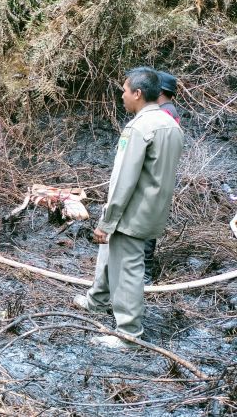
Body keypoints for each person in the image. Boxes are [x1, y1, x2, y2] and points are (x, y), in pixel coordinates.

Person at [73, 67, 183, 348]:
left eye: (124, 90)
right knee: (112, 255)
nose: (121, 95)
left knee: (129, 269)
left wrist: (107, 221)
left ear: (137, 93)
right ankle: (98, 301)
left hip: (132, 212)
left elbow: (123, 181)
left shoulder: (139, 128)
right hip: (154, 209)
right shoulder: (171, 124)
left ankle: (128, 333)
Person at [144, 71, 180, 284]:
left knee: (146, 230)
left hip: (153, 179)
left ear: (158, 90)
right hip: (161, 178)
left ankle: (145, 278)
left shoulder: (163, 115)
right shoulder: (169, 112)